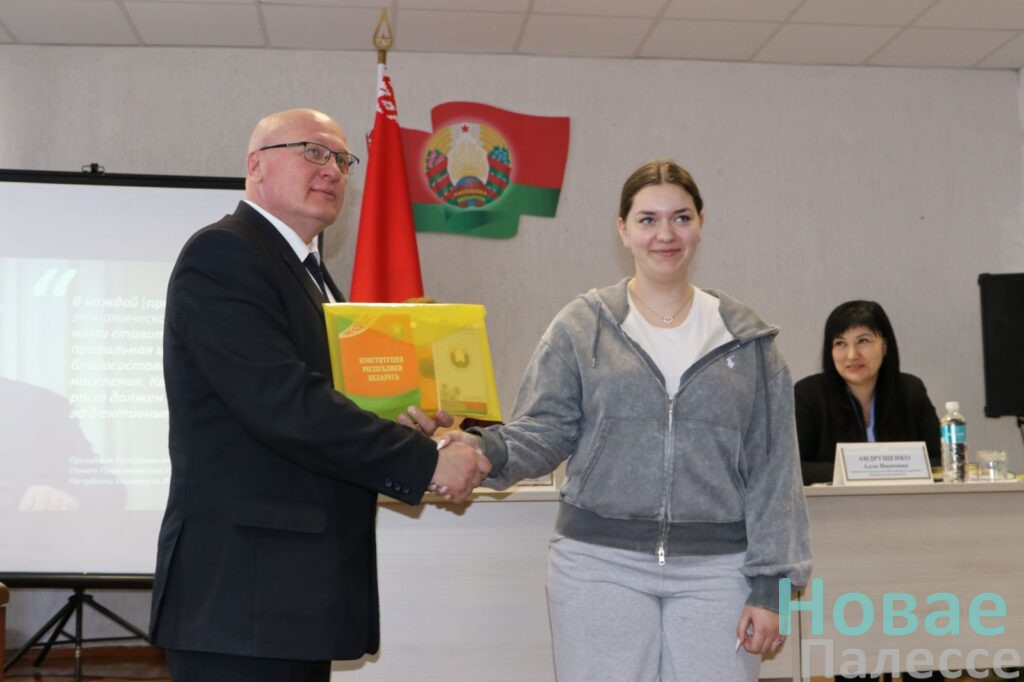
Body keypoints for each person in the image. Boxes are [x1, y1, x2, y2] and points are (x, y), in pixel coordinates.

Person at [149, 108, 490, 682]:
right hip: (243, 596)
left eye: (342, 159)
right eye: (312, 151)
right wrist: (426, 460)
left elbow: (320, 404)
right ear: (256, 165)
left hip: (288, 595)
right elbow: (282, 402)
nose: (332, 169)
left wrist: (398, 424)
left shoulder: (309, 272)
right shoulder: (224, 254)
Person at [448, 160, 811, 681]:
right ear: (623, 230)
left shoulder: (747, 339)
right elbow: (544, 429)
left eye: (681, 218)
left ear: (700, 224)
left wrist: (773, 587)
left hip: (719, 572)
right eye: (647, 219)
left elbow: (776, 472)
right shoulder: (582, 325)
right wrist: (483, 449)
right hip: (598, 565)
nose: (665, 234)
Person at [794, 300, 941, 485]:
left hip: (902, 502)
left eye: (863, 341)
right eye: (840, 343)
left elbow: (941, 460)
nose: (852, 355)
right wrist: (858, 471)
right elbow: (793, 467)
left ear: (885, 345)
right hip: (836, 503)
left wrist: (874, 471)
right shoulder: (808, 394)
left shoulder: (910, 390)